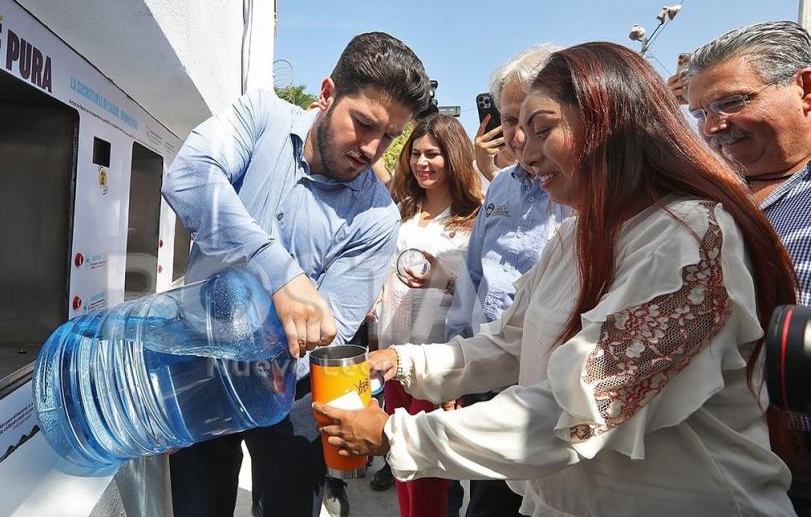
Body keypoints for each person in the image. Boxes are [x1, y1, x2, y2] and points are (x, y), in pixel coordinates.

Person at [315, 42, 800, 517]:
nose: (524, 152)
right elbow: (512, 343)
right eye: (516, 130)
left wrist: (395, 436)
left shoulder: (689, 237)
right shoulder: (577, 234)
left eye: (542, 128)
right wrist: (399, 361)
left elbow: (576, 409)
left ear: (609, 122)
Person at [162, 31, 432, 517]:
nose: (373, 150)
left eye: (390, 137)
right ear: (326, 95)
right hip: (199, 368)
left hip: (292, 394)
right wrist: (278, 272)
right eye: (364, 124)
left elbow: (321, 334)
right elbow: (188, 176)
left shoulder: (377, 217)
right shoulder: (260, 118)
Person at [687, 20, 811, 515]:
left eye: (732, 101)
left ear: (805, 89)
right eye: (700, 111)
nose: (713, 125)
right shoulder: (698, 201)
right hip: (713, 456)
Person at [445, 45, 568, 517]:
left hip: (555, 385)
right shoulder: (499, 185)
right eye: (508, 119)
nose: (517, 137)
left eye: (534, 124)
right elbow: (474, 275)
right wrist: (459, 364)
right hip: (490, 370)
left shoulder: (578, 187)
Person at [368, 115, 483, 516]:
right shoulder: (402, 212)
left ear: (453, 157)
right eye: (416, 153)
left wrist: (442, 279)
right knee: (401, 460)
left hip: (439, 361)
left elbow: (477, 298)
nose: (422, 162)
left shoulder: (473, 220)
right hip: (393, 354)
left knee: (431, 473)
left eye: (432, 153)